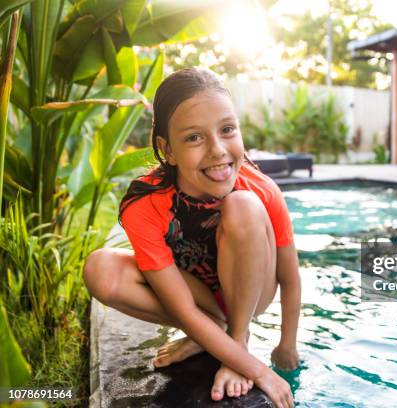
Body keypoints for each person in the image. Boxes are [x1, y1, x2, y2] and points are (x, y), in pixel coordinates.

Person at [83, 68, 300, 408]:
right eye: (194, 138)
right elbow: (182, 308)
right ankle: (219, 332)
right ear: (166, 149)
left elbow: (289, 277)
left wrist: (287, 345)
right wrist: (259, 371)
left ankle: (237, 336)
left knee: (242, 205)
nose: (217, 150)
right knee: (100, 268)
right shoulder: (146, 203)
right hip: (197, 300)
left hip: (252, 292)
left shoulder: (260, 188)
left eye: (227, 130)